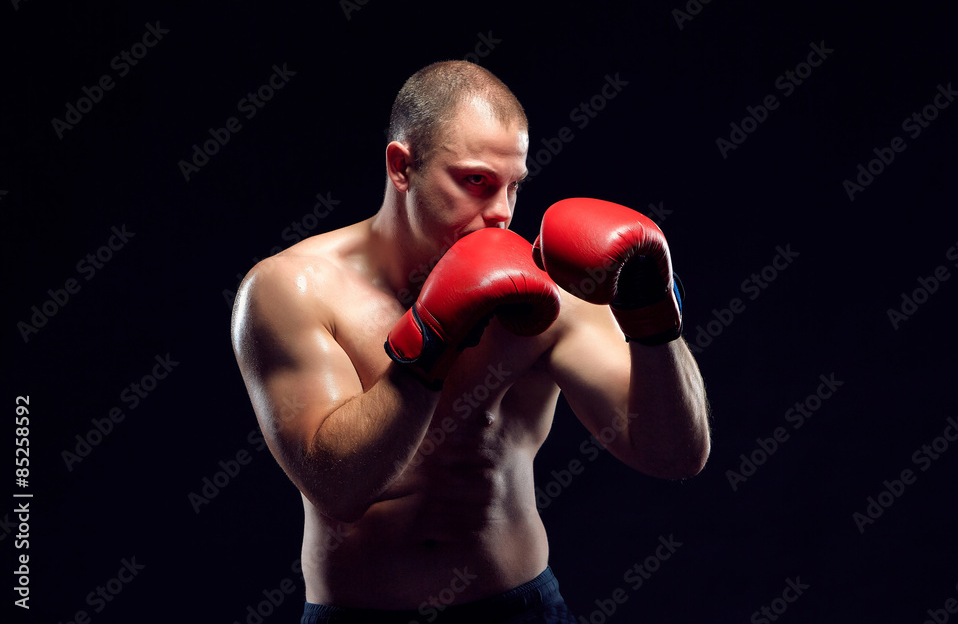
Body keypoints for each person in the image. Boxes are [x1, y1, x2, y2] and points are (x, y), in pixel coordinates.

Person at [230, 60, 710, 623]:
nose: (500, 215)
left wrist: (652, 321)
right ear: (401, 167)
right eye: (475, 182)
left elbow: (674, 456)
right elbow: (338, 489)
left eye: (513, 187)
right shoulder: (292, 289)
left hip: (520, 609)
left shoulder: (548, 288)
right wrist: (435, 337)